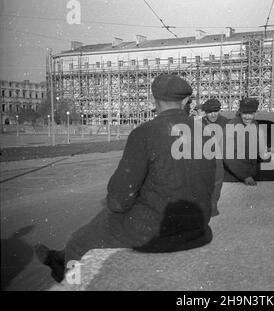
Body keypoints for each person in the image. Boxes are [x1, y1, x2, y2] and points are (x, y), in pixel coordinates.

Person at [34, 74, 217, 283]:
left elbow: (118, 200)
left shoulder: (144, 133)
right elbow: (210, 182)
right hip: (197, 228)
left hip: (156, 232)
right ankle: (58, 257)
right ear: (185, 101)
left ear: (154, 101)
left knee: (80, 240)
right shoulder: (206, 134)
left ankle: (63, 272)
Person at [223, 97, 274, 199]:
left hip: (249, 168)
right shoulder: (232, 126)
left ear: (255, 113)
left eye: (251, 113)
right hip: (235, 173)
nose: (248, 117)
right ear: (240, 112)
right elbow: (229, 155)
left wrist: (266, 152)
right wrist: (245, 176)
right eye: (245, 113)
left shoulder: (254, 124)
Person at [201, 98, 228, 216]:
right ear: (205, 113)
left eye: (216, 111)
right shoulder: (199, 124)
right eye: (210, 112)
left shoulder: (225, 122)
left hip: (218, 158)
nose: (213, 115)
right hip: (202, 158)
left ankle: (213, 205)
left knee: (217, 183)